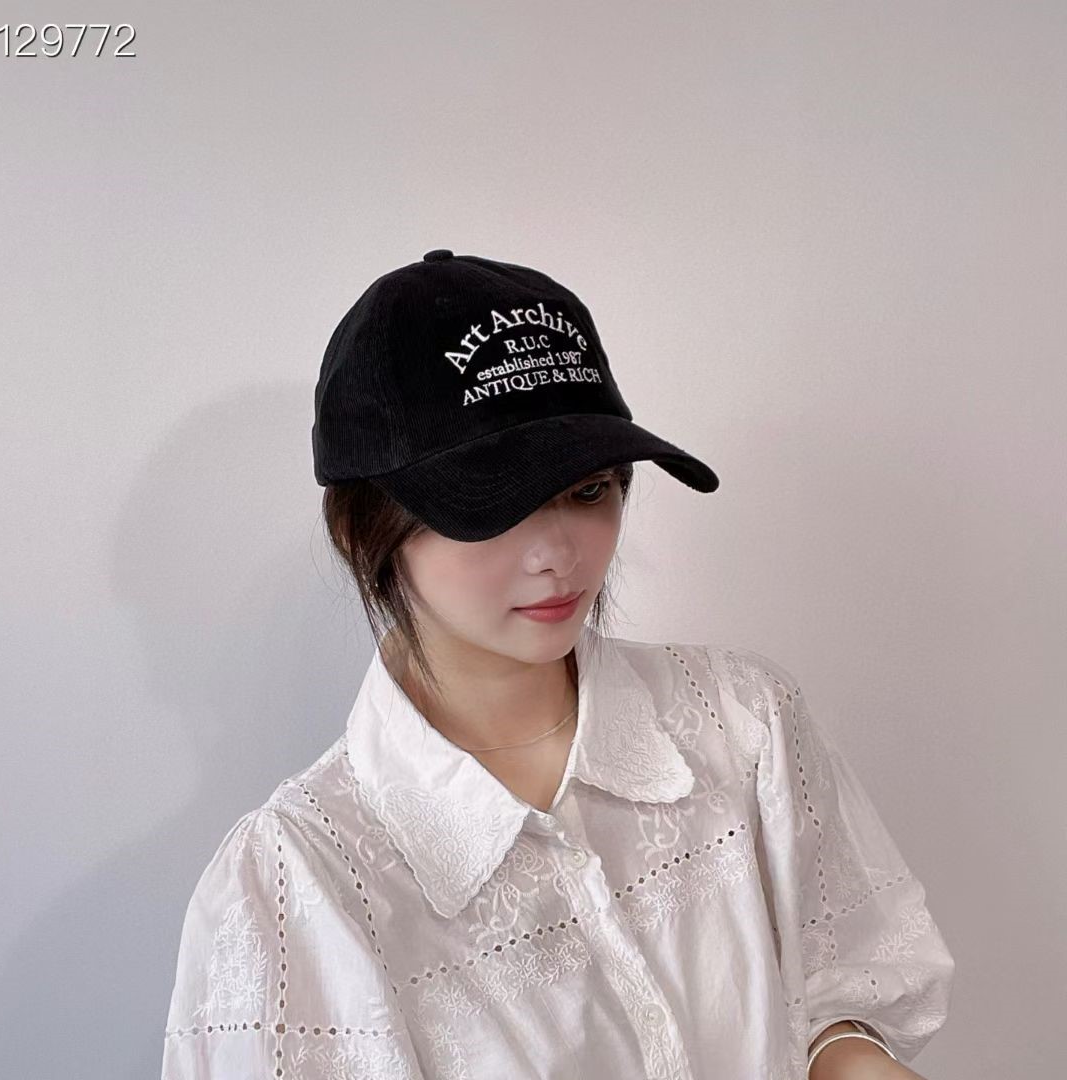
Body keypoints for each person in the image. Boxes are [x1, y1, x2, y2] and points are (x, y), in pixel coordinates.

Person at [160, 250, 955, 1079]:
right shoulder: (301, 884)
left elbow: (841, 986)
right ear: (362, 531)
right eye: (496, 506)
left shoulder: (741, 723)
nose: (559, 556)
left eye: (589, 490)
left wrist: (852, 1054)